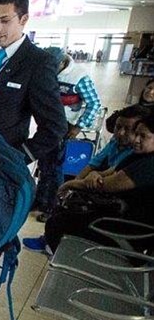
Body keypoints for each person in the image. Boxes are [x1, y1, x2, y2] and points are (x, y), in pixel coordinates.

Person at [0, 0, 66, 166]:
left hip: (0, 162)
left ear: (23, 19)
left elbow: (55, 126)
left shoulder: (38, 62)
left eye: (4, 21)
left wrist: (17, 158)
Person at [22, 106, 142, 252]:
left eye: (128, 129)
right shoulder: (115, 142)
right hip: (104, 189)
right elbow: (93, 164)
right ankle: (50, 240)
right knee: (66, 203)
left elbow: (110, 179)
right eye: (118, 127)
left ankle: (55, 245)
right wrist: (73, 185)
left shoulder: (137, 155)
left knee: (69, 213)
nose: (121, 132)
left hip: (118, 205)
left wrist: (74, 184)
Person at [32, 47, 105, 219]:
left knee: (55, 167)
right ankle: (40, 200)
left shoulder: (79, 77)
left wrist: (78, 126)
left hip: (64, 125)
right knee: (44, 165)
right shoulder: (47, 70)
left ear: (63, 62)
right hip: (46, 123)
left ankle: (52, 206)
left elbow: (94, 103)